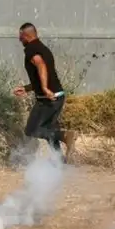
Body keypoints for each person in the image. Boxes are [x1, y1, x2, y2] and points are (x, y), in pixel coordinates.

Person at [12, 23, 78, 162]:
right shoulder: (43, 48)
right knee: (49, 130)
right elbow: (44, 72)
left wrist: (45, 89)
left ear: (25, 35)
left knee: (32, 130)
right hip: (56, 96)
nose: (19, 39)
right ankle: (60, 162)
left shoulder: (31, 49)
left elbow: (40, 65)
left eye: (20, 36)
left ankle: (65, 136)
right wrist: (28, 88)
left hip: (47, 98)